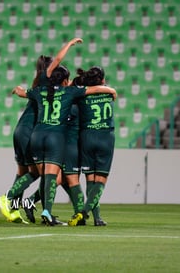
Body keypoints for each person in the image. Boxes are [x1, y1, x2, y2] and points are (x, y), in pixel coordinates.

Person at [12, 65, 116, 225]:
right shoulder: (75, 99)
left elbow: (24, 92)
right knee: (70, 180)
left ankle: (32, 204)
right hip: (69, 145)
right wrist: (110, 90)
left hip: (60, 142)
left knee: (58, 179)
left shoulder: (70, 97)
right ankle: (84, 215)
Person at [0, 38, 83, 223]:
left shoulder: (40, 84)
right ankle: (8, 199)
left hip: (22, 129)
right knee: (39, 173)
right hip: (31, 131)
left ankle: (15, 208)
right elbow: (58, 61)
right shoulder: (50, 83)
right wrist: (69, 44)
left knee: (25, 172)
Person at [68, 66, 115, 227]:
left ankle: (97, 218)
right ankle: (85, 213)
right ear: (102, 79)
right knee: (100, 180)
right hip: (105, 137)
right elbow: (111, 91)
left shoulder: (81, 94)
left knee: (90, 179)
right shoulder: (109, 91)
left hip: (87, 136)